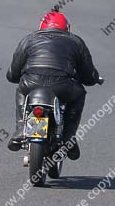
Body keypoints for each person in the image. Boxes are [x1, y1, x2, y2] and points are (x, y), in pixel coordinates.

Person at [6, 10, 102, 160]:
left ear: (41, 26)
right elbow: (88, 74)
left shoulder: (29, 39)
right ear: (67, 28)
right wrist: (94, 78)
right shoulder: (75, 41)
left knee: (21, 90)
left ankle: (20, 129)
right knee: (79, 93)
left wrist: (18, 76)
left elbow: (12, 74)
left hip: (31, 84)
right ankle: (69, 136)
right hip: (62, 85)